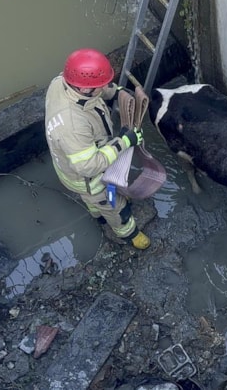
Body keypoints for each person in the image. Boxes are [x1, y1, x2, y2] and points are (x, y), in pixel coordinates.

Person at [44, 48, 150, 249]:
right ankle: (130, 235)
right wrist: (125, 141)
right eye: (100, 86)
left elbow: (97, 90)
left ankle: (97, 215)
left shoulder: (61, 82)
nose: (103, 88)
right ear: (84, 89)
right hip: (89, 180)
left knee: (93, 203)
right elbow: (89, 166)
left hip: (70, 166)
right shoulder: (72, 125)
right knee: (116, 208)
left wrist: (116, 92)